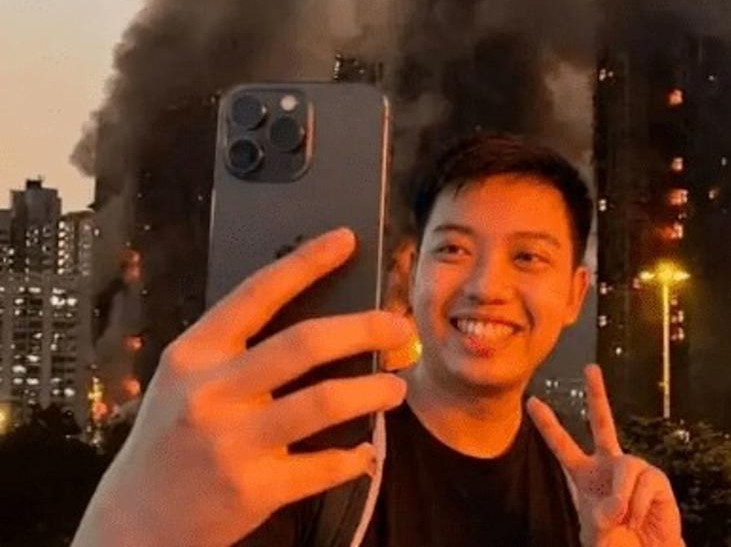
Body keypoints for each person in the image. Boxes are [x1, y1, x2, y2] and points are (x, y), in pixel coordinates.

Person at [73, 133, 683, 547]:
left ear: (576, 294)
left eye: (527, 257)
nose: (485, 286)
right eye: (453, 250)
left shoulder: (587, 495)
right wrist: (127, 520)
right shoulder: (310, 458)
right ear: (409, 273)